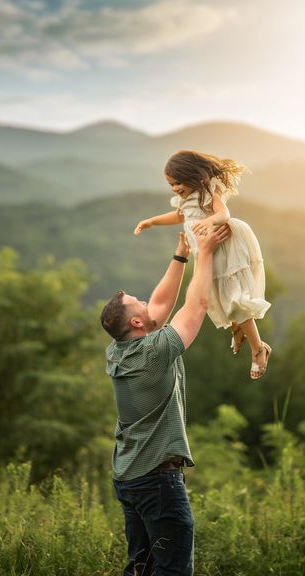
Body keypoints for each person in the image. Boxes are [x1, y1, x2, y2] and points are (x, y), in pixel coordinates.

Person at [100, 224, 230, 576]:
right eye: (138, 303)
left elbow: (158, 305)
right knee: (172, 569)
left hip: (129, 477)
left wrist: (181, 253)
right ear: (138, 322)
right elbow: (198, 304)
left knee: (141, 566)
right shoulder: (154, 352)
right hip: (157, 481)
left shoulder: (117, 350)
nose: (146, 301)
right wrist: (206, 254)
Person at [134, 149, 272, 380]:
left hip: (223, 249)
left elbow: (223, 213)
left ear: (193, 176)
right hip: (205, 252)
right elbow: (181, 216)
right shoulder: (187, 197)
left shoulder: (207, 191)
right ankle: (237, 328)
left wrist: (209, 220)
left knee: (233, 298)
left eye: (178, 182)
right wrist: (152, 221)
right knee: (214, 297)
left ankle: (258, 348)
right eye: (171, 185)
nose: (176, 188)